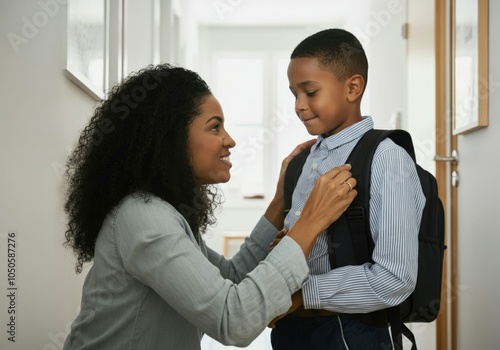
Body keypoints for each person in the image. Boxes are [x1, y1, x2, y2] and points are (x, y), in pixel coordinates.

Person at [61, 63, 358, 350]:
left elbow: (232, 277)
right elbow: (235, 320)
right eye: (215, 128)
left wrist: (281, 200)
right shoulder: (144, 217)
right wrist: (310, 222)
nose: (230, 141)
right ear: (171, 139)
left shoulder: (164, 213)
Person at [269, 28, 426, 350]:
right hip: (291, 329)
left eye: (310, 92)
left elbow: (395, 278)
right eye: (293, 94)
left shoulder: (387, 159)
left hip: (350, 334)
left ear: (353, 87)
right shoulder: (302, 160)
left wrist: (301, 295)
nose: (299, 106)